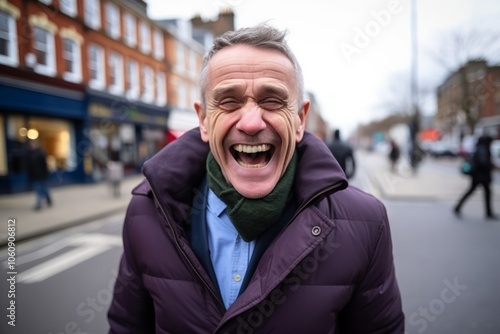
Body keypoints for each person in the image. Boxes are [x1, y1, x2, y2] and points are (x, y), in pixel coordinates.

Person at [108, 24, 404, 333]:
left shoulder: (367, 222)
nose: (251, 123)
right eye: (229, 101)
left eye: (272, 100)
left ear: (300, 120)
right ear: (204, 121)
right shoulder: (145, 212)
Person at [454, 135, 497, 220]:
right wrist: (491, 165)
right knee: (484, 193)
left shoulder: (478, 148)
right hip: (481, 177)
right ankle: (488, 213)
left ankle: (458, 207)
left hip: (477, 176)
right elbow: (483, 163)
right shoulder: (483, 149)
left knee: (476, 192)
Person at [26, 140, 52, 210]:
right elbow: (28, 167)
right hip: (34, 176)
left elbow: (44, 165)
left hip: (42, 175)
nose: (32, 145)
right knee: (38, 190)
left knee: (44, 189)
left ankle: (48, 199)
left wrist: (46, 174)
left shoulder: (40, 153)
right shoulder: (29, 154)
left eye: (33, 144)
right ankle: (39, 204)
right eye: (31, 144)